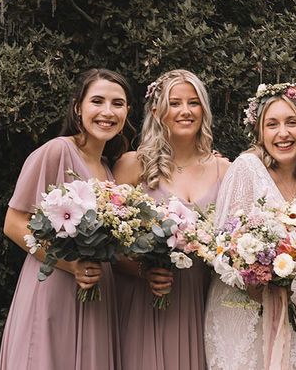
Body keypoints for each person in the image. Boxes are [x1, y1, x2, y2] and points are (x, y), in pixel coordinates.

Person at [0, 68, 134, 370]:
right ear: (78, 108)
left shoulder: (108, 170)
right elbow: (14, 223)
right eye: (97, 101)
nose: (107, 112)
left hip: (97, 295)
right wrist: (71, 265)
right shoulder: (57, 152)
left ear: (127, 112)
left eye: (117, 103)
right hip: (56, 291)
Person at [114, 69, 229, 370]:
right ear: (156, 110)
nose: (185, 111)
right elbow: (109, 242)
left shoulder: (224, 169)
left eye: (194, 103)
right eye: (175, 103)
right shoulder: (133, 165)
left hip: (202, 301)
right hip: (146, 298)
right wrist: (142, 270)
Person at [204, 82, 296, 370]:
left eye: (292, 122)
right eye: (272, 124)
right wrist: (252, 282)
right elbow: (222, 247)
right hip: (245, 311)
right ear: (260, 132)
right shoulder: (246, 169)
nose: (282, 133)